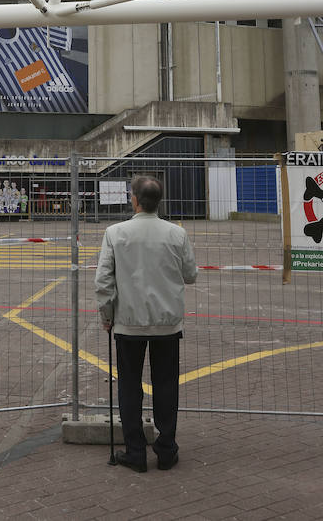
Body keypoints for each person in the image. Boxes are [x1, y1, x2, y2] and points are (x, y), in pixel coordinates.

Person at [95, 175, 197, 473]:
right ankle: (166, 450)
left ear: (134, 200)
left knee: (129, 387)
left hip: (128, 323)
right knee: (166, 385)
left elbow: (103, 281)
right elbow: (190, 274)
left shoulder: (115, 233)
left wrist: (107, 315)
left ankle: (135, 452)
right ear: (159, 201)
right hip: (167, 324)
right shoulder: (176, 234)